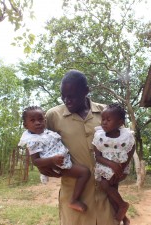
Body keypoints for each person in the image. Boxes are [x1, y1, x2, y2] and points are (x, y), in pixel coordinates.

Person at [38, 70, 120, 225]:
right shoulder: (53, 116)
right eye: (63, 95)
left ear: (86, 91)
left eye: (72, 96)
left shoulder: (106, 113)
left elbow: (123, 143)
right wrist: (42, 167)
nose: (67, 100)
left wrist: (120, 170)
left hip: (107, 196)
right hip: (75, 199)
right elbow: (35, 142)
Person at [18, 106, 91, 212]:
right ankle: (74, 200)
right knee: (84, 173)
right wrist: (52, 160)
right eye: (32, 120)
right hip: (56, 164)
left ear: (45, 120)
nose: (37, 123)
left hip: (59, 160)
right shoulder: (32, 141)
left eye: (40, 119)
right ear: (25, 125)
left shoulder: (45, 133)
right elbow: (36, 161)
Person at [93, 103, 135, 224]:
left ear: (120, 122)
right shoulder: (99, 137)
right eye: (103, 119)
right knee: (111, 192)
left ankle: (123, 206)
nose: (104, 122)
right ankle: (124, 217)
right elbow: (98, 157)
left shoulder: (126, 137)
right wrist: (112, 165)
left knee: (106, 186)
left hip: (121, 169)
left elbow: (131, 150)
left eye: (108, 119)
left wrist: (120, 168)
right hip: (105, 168)